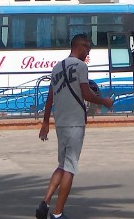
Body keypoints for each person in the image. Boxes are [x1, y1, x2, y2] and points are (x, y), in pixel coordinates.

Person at [36, 33, 113, 219]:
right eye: (88, 48)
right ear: (80, 46)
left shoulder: (56, 67)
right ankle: (57, 214)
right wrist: (104, 101)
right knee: (70, 168)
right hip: (75, 123)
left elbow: (50, 98)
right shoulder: (81, 66)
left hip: (60, 123)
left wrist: (45, 123)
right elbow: (86, 93)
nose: (88, 52)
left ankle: (45, 203)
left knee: (62, 165)